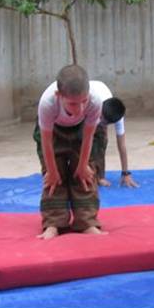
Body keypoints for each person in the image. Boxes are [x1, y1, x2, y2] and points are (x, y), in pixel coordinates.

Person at [33, 65, 105, 240]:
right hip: (54, 132)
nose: (79, 108)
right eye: (73, 103)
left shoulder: (95, 101)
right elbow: (46, 141)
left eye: (83, 101)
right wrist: (51, 170)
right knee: (53, 178)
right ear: (59, 96)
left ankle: (86, 222)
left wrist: (82, 165)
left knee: (85, 175)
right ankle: (53, 223)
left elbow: (89, 137)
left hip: (81, 131)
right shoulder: (48, 103)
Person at [88, 80, 138, 188]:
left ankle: (99, 176)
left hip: (98, 100)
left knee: (102, 140)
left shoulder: (118, 118)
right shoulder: (91, 104)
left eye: (103, 121)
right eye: (100, 118)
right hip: (83, 103)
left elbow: (122, 145)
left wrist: (125, 173)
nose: (99, 120)